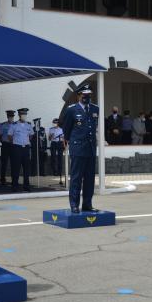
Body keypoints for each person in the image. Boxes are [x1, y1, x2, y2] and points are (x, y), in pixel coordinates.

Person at [62, 83, 99, 214]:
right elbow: (66, 130)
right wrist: (68, 142)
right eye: (84, 95)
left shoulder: (95, 109)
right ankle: (74, 204)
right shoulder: (71, 109)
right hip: (78, 148)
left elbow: (94, 127)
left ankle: (87, 204)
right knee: (76, 178)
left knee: (89, 179)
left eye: (89, 95)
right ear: (79, 96)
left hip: (90, 148)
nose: (87, 97)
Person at [8, 108, 34, 192]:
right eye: (23, 114)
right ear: (19, 115)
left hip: (26, 148)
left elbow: (31, 135)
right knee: (16, 167)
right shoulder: (14, 125)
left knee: (26, 168)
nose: (24, 116)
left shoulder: (28, 125)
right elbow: (9, 136)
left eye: (25, 114)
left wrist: (27, 141)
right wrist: (15, 142)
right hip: (17, 147)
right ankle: (14, 186)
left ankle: (26, 186)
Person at [0, 110, 15, 185]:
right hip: (5, 145)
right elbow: (0, 136)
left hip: (13, 145)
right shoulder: (3, 125)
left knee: (14, 163)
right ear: (7, 117)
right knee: (4, 162)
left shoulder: (15, 125)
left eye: (12, 117)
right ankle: (2, 178)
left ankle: (14, 178)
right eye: (10, 117)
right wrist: (4, 142)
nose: (11, 118)